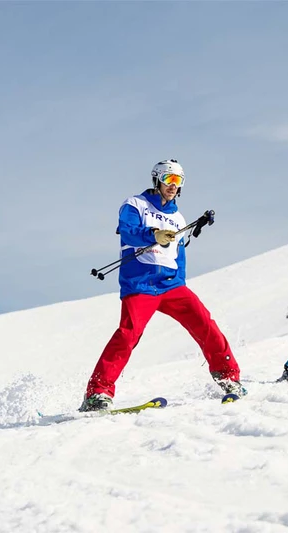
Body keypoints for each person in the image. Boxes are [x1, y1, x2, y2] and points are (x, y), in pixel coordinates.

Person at [79, 159, 246, 411]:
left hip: (171, 285)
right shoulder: (135, 204)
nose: (173, 186)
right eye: (169, 180)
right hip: (141, 283)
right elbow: (127, 231)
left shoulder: (178, 218)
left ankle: (228, 377)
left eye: (178, 181)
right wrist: (153, 234)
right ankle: (98, 393)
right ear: (157, 179)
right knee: (128, 334)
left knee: (205, 324)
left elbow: (179, 256)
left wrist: (179, 281)